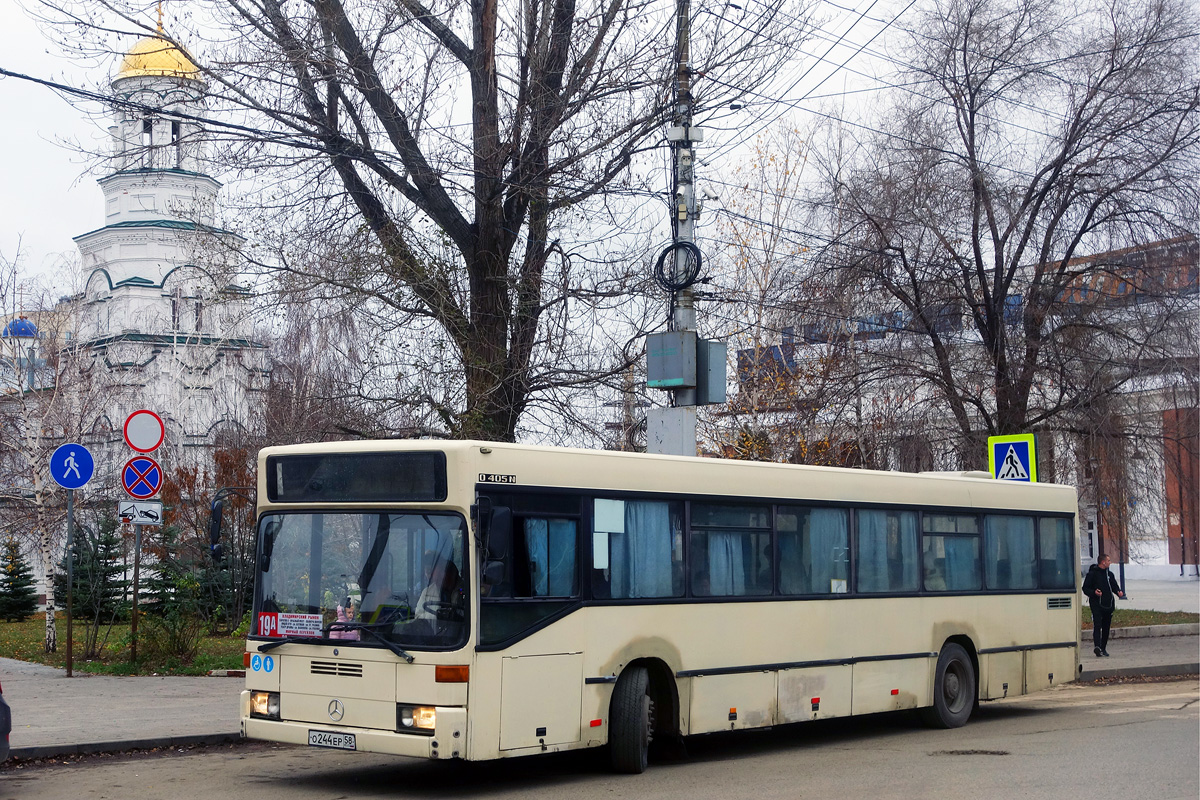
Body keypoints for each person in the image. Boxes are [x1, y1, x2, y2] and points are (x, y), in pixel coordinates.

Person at [1082, 553, 1124, 656]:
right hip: (1096, 603)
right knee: (1097, 625)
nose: (1110, 562)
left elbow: (1113, 585)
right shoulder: (1093, 574)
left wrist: (1118, 592)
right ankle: (1097, 647)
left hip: (1108, 604)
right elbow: (1085, 588)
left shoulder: (1109, 574)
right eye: (1108, 561)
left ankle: (1103, 648)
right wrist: (1094, 593)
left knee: (1106, 627)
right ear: (1103, 562)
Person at [416, 552, 463, 621]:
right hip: (432, 630)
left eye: (431, 570)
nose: (430, 576)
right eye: (428, 572)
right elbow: (418, 617)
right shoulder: (427, 592)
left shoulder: (467, 591)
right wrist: (438, 615)